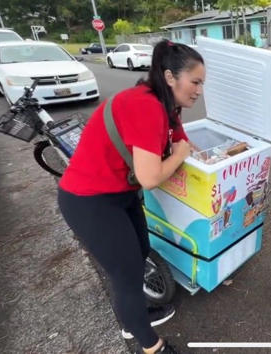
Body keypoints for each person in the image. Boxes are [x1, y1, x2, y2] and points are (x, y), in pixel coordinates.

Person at [57, 39, 205, 354]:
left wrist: (201, 157)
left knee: (140, 251)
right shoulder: (145, 106)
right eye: (195, 82)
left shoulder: (167, 104)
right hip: (89, 200)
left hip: (120, 192)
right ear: (169, 77)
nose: (199, 90)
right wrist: (179, 155)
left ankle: (134, 315)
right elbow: (151, 177)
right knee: (126, 274)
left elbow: (180, 139)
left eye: (201, 83)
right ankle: (149, 343)